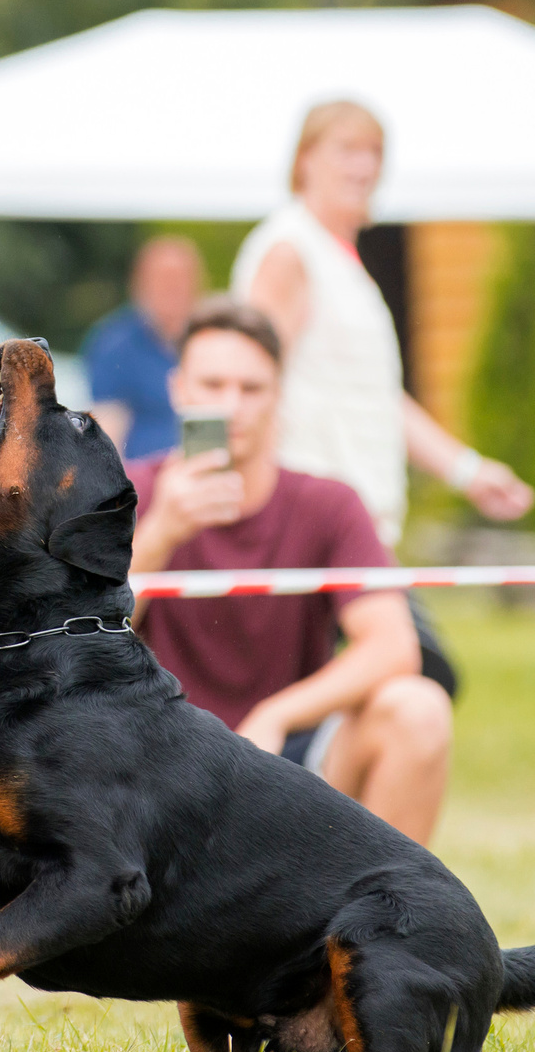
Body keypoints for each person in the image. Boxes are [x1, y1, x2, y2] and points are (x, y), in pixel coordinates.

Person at [236, 99, 534, 694]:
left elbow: (378, 398)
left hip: (360, 524)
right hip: (314, 526)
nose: (364, 166)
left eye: (374, 152)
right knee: (416, 676)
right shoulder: (291, 252)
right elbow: (250, 385)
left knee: (390, 689)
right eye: (346, 150)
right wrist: (256, 513)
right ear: (305, 162)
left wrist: (468, 470)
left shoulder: (342, 261)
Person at [128, 301, 445, 842]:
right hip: (155, 758)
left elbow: (393, 647)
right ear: (180, 389)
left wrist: (276, 716)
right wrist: (160, 534)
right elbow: (74, 637)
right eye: (213, 384)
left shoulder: (328, 504)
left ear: (279, 395)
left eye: (252, 389)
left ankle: (388, 920)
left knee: (419, 709)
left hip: (289, 756)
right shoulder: (124, 493)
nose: (232, 405)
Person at [83, 235, 202, 457]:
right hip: (143, 480)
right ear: (140, 283)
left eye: (180, 277)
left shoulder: (210, 340)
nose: (173, 287)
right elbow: (107, 432)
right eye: (163, 278)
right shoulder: (115, 344)